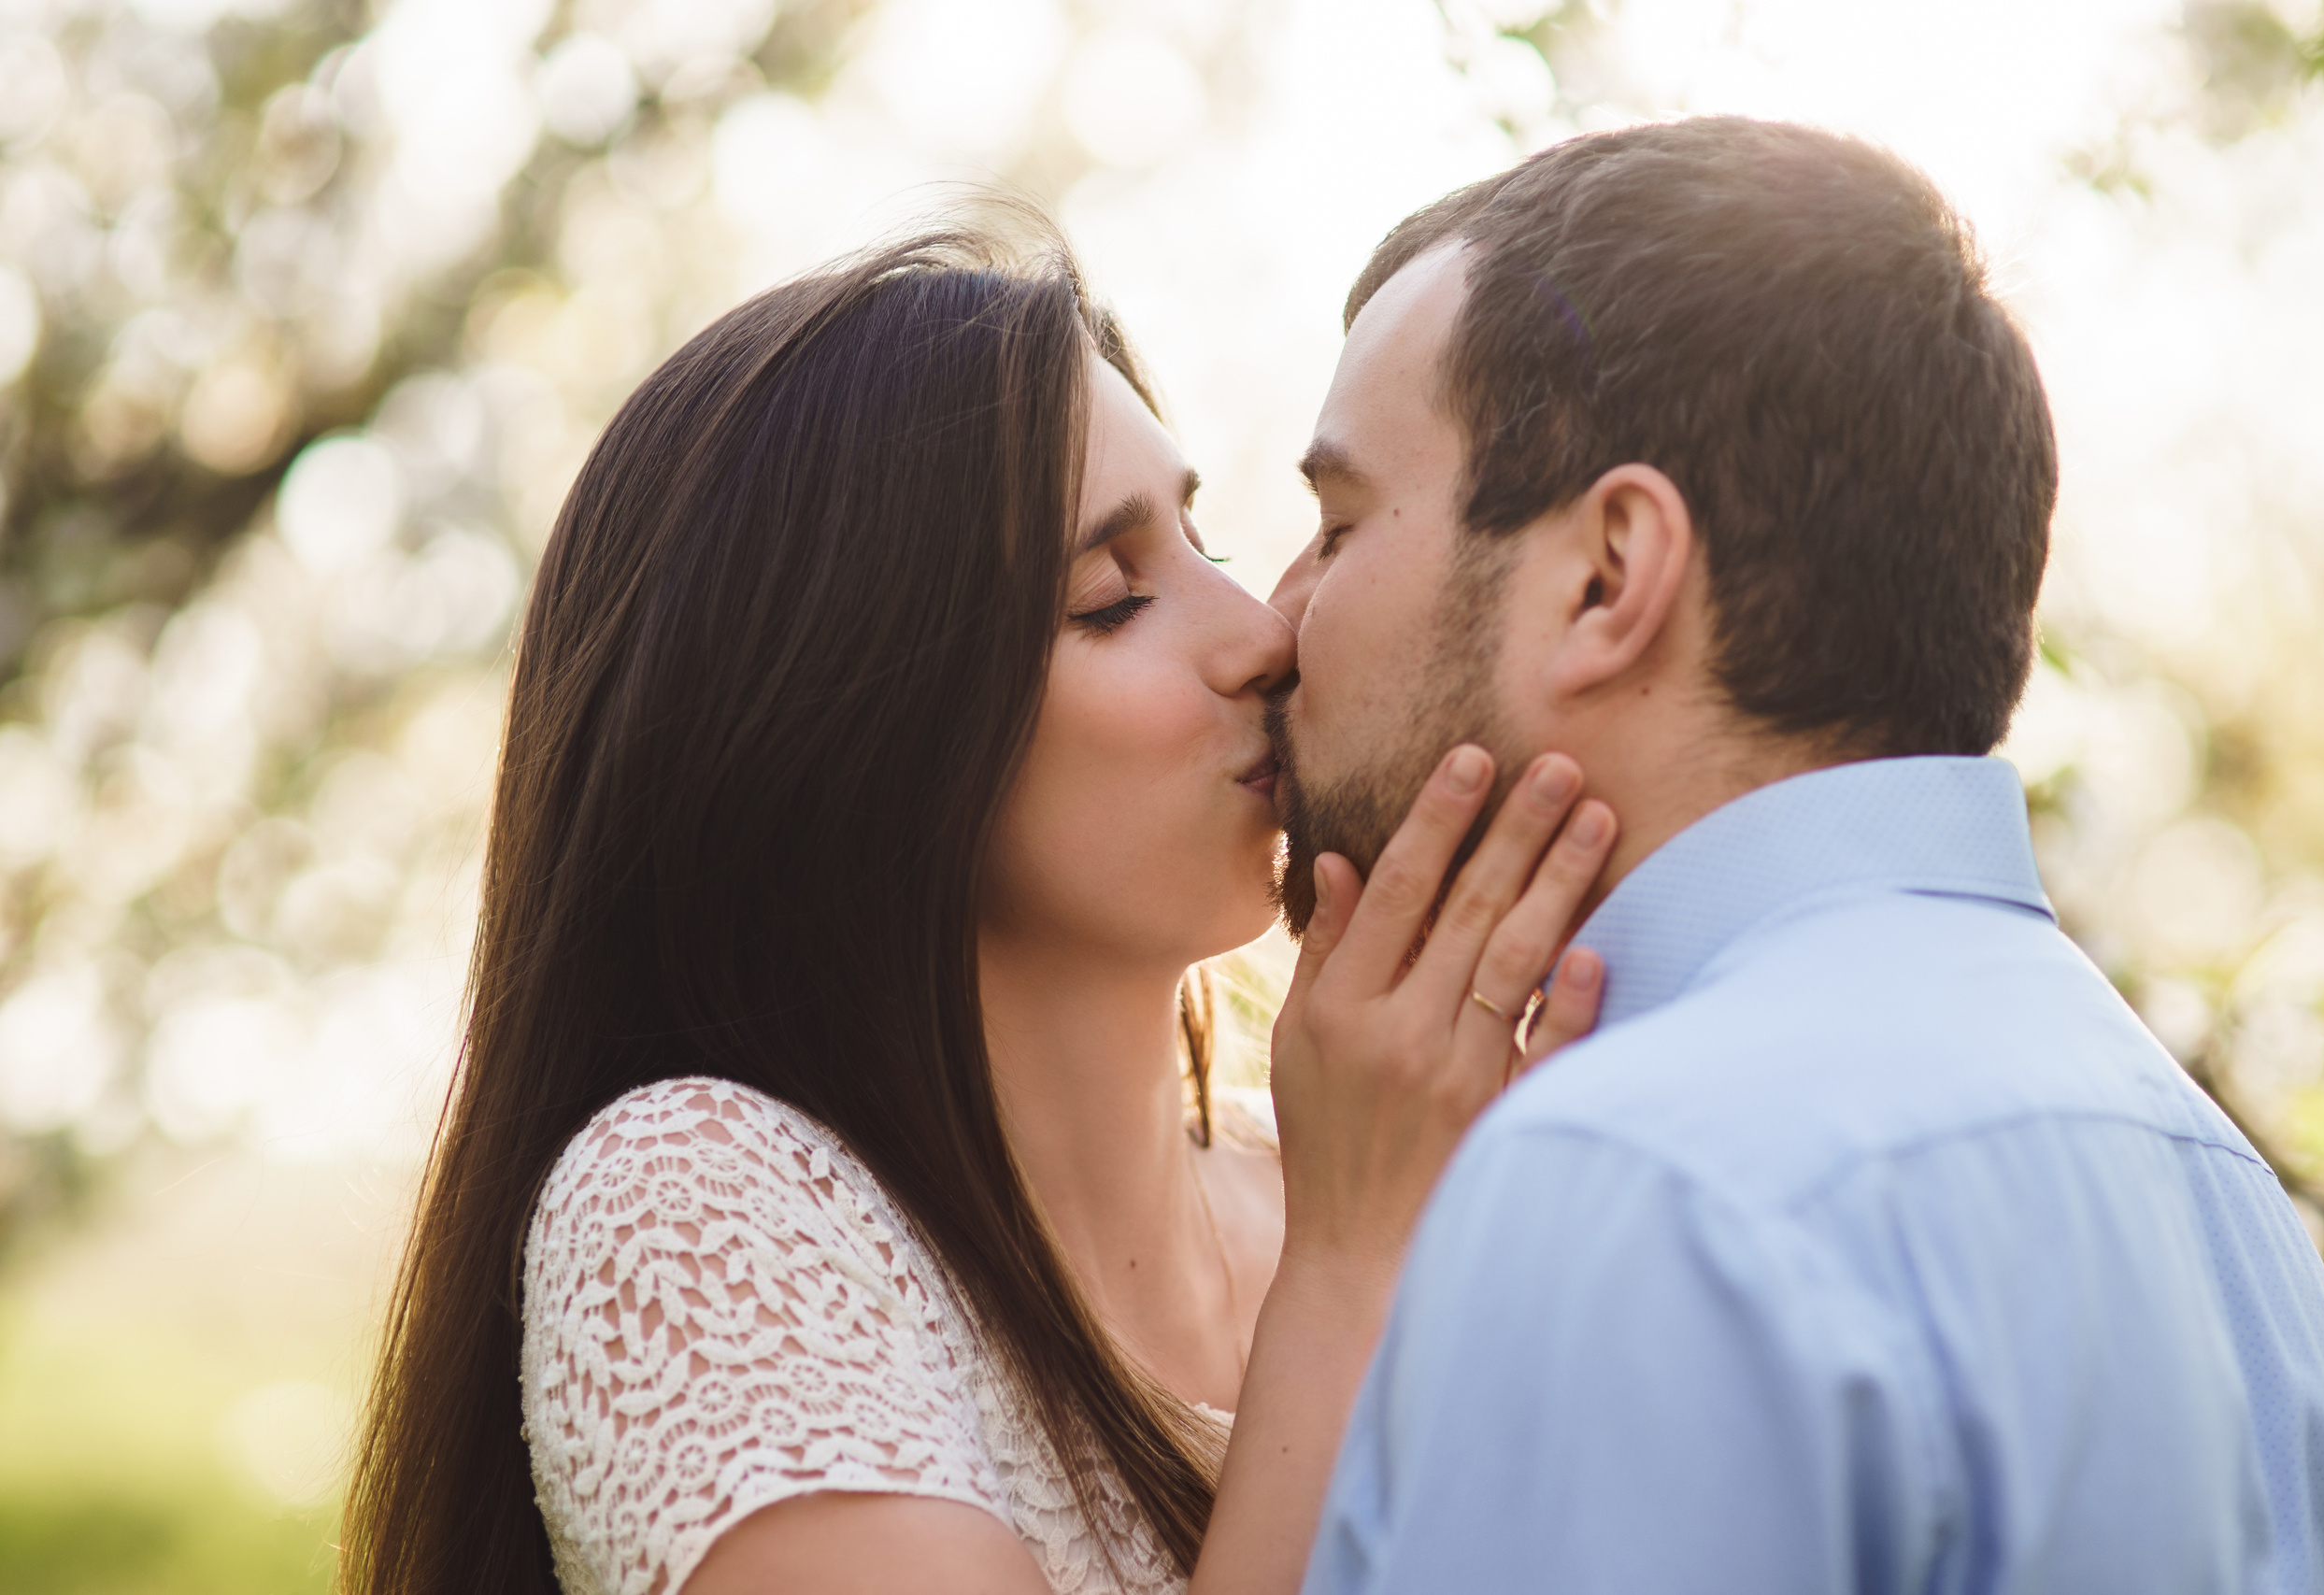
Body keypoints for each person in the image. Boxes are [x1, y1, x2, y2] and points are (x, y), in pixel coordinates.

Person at [338, 220, 1615, 1595]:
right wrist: (1357, 1269)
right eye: (1113, 600)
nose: (1264, 635)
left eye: (1209, 544)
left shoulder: (1368, 1164)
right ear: (849, 735)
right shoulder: (705, 1215)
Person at [1267, 115, 2324, 1593]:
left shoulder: (1638, 1181)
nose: (1277, 615)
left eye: (1338, 522)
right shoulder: (2226, 1203)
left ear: (1609, 577)